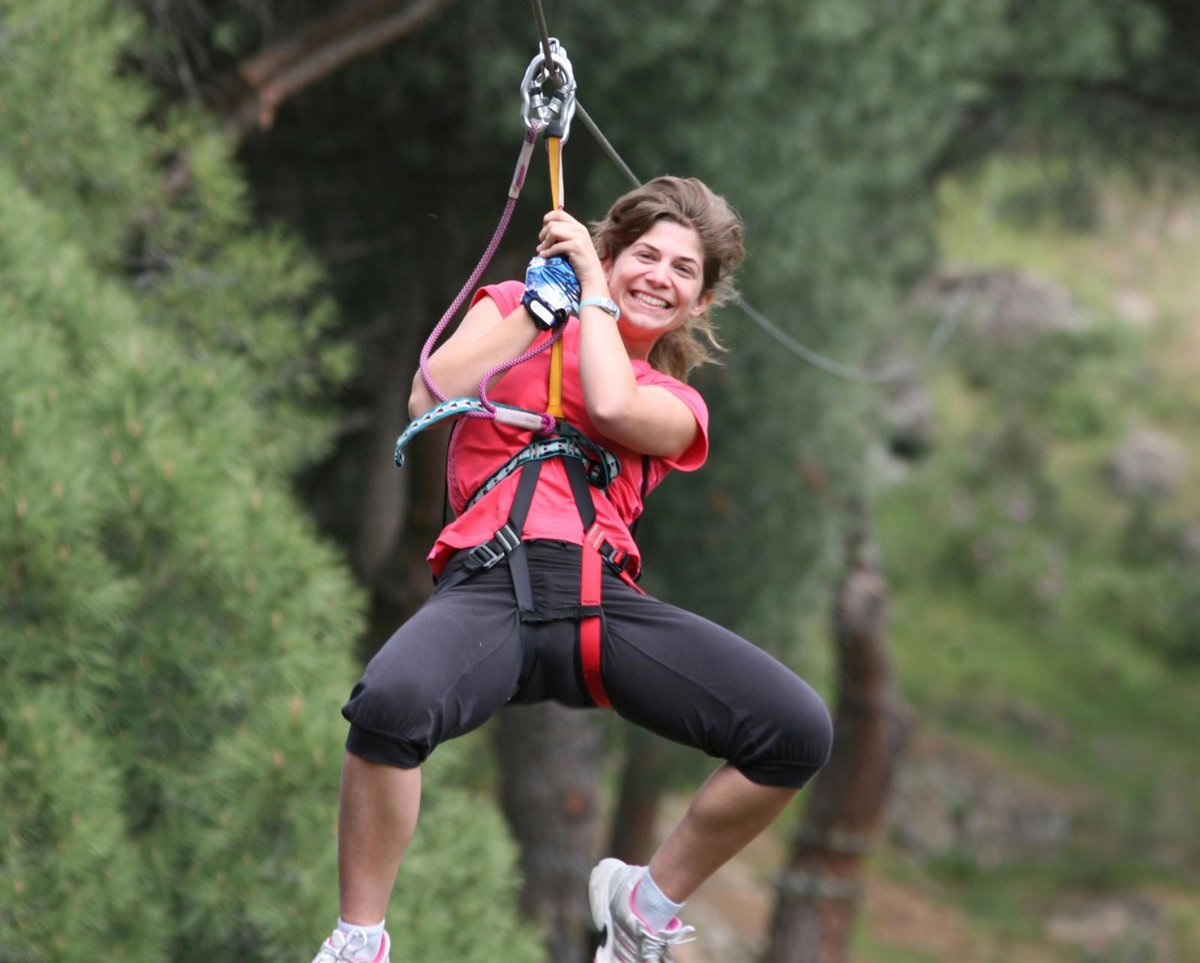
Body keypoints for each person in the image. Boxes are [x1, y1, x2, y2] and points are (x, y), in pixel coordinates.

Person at [310, 176, 833, 963]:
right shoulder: (512, 309)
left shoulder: (674, 404)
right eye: (644, 256)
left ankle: (644, 902)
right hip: (491, 587)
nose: (660, 276)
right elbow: (430, 394)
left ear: (698, 303)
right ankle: (359, 939)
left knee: (796, 731)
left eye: (683, 270)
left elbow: (612, 407)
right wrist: (535, 310)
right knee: (389, 705)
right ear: (612, 256)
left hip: (598, 604)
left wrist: (589, 291)